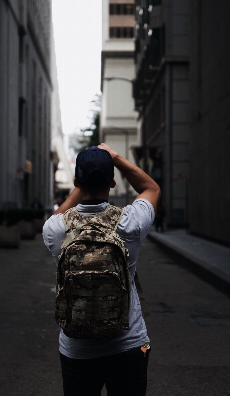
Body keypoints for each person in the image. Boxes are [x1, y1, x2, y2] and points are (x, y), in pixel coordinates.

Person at [43, 143, 160, 396]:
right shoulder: (131, 222)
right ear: (112, 182)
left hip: (77, 350)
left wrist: (81, 186)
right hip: (129, 346)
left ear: (76, 181)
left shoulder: (55, 230)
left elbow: (54, 217)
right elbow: (151, 188)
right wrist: (115, 156)